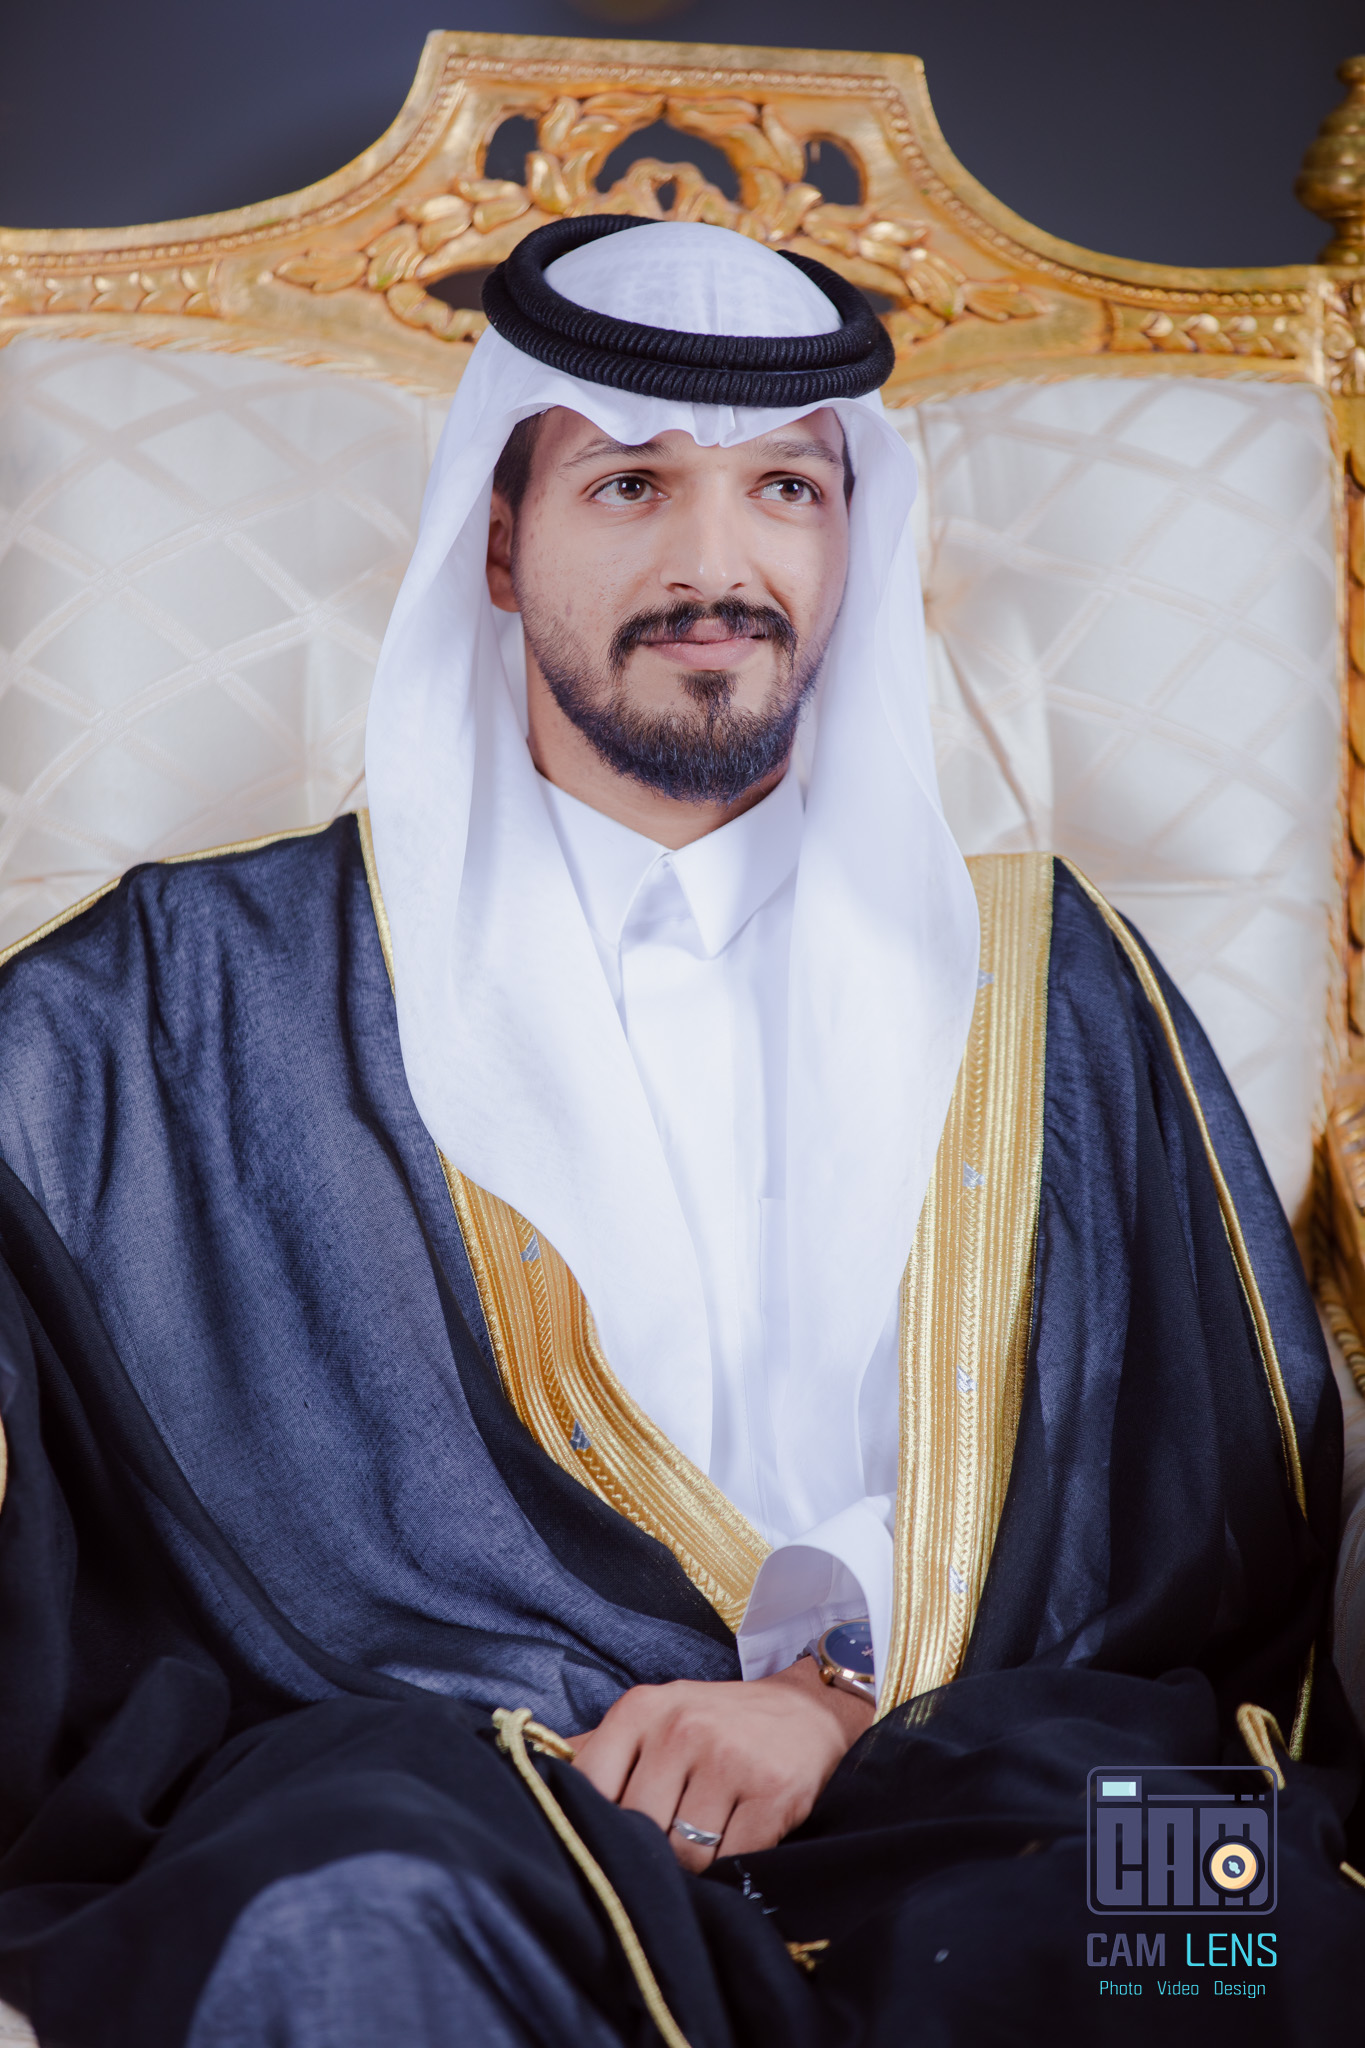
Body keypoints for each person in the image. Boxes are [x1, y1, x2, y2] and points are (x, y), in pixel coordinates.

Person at [0, 214, 1358, 2047]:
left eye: (784, 489)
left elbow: (1193, 1496)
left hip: (981, 1749)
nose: (716, 567)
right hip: (442, 1773)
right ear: (500, 543)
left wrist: (831, 1683)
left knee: (1243, 1930)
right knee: (342, 1933)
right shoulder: (201, 989)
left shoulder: (1047, 985)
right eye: (629, 485)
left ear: (851, 536)